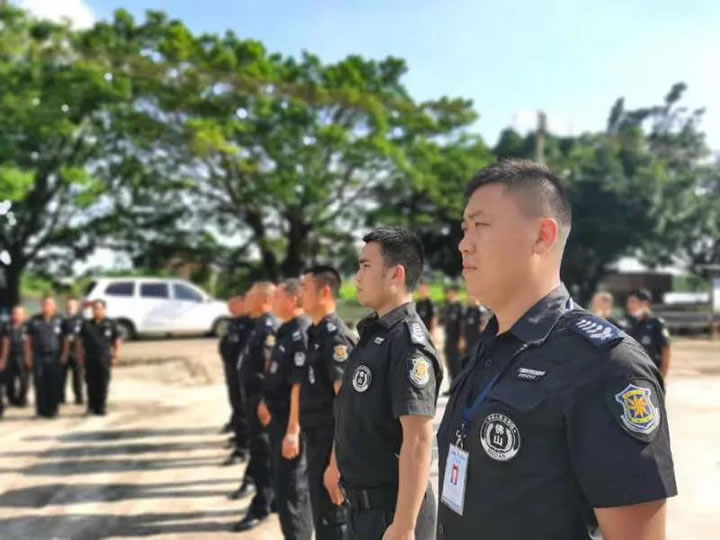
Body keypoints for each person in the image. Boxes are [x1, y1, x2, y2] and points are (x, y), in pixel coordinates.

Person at [436, 159, 676, 539]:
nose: (463, 244)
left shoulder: (606, 365)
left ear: (543, 236)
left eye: (481, 226)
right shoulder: (492, 346)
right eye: (465, 229)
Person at [334, 227, 442, 540]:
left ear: (396, 274)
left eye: (366, 266)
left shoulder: (408, 345)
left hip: (391, 515)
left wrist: (405, 525)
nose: (357, 277)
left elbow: (418, 439)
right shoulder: (374, 335)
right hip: (362, 510)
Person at [294, 265, 356, 540]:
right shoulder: (315, 333)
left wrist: (336, 464)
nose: (300, 294)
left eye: (305, 288)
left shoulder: (335, 339)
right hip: (316, 441)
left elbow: (347, 407)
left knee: (333, 522)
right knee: (322, 519)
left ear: (325, 292)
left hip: (330, 444)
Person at [258, 279, 313, 540]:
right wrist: (264, 401)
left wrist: (293, 431)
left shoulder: (301, 333)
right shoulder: (285, 330)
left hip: (291, 424)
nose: (273, 302)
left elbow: (298, 386)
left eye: (278, 297)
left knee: (293, 493)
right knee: (283, 489)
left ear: (292, 300)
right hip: (277, 419)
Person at [234, 282, 278, 532]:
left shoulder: (268, 326)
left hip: (261, 402)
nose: (246, 299)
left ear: (263, 300)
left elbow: (270, 369)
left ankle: (262, 505)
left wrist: (264, 401)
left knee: (262, 454)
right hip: (252, 399)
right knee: (261, 452)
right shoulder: (258, 324)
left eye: (250, 295)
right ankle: (271, 499)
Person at [220, 295, 252, 468]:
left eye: (235, 303)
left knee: (243, 410)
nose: (231, 307)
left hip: (244, 374)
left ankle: (243, 448)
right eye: (229, 303)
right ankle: (240, 439)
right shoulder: (234, 322)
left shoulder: (251, 323)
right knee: (237, 407)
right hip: (233, 371)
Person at [76, 299, 121, 416]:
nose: (96, 311)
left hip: (104, 358)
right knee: (91, 383)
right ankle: (91, 407)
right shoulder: (86, 324)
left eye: (99, 308)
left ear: (104, 309)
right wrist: (80, 356)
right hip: (90, 358)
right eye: (94, 309)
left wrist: (115, 356)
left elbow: (116, 341)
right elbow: (80, 342)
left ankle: (101, 407)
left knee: (103, 383)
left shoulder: (111, 323)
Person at [27, 297, 64, 418]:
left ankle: (53, 410)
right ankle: (41, 411)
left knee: (53, 382)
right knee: (39, 382)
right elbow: (29, 340)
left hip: (54, 356)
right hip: (39, 355)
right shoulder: (34, 320)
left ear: (54, 306)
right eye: (44, 304)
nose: (46, 307)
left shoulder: (60, 320)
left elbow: (65, 339)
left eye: (49, 304)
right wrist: (28, 355)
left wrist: (64, 354)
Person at [626, 289, 672, 379]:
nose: (629, 306)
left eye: (632, 302)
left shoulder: (656, 323)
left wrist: (662, 377)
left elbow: (666, 351)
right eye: (628, 302)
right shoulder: (630, 324)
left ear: (644, 303)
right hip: (633, 375)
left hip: (651, 375)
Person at [1, 306, 30, 407]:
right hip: (10, 356)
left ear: (24, 315)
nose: (15, 315)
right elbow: (5, 343)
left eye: (18, 313)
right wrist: (3, 359)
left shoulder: (27, 326)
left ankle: (22, 399)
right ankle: (12, 399)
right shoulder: (7, 326)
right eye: (14, 313)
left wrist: (29, 357)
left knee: (24, 379)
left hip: (23, 355)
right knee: (9, 380)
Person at [60, 298, 84, 405]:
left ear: (77, 307)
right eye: (68, 306)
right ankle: (61, 398)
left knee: (78, 377)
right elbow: (63, 337)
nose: (69, 308)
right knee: (62, 377)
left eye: (72, 306)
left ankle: (79, 398)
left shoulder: (83, 320)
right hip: (66, 351)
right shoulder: (64, 321)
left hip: (77, 351)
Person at [441, 286, 463, 385]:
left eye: (450, 293)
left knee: (456, 364)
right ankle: (452, 385)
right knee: (450, 364)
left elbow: (463, 325)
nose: (448, 295)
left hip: (457, 340)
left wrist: (462, 339)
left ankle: (458, 385)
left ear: (455, 293)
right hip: (449, 339)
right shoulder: (448, 307)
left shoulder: (460, 308)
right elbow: (442, 322)